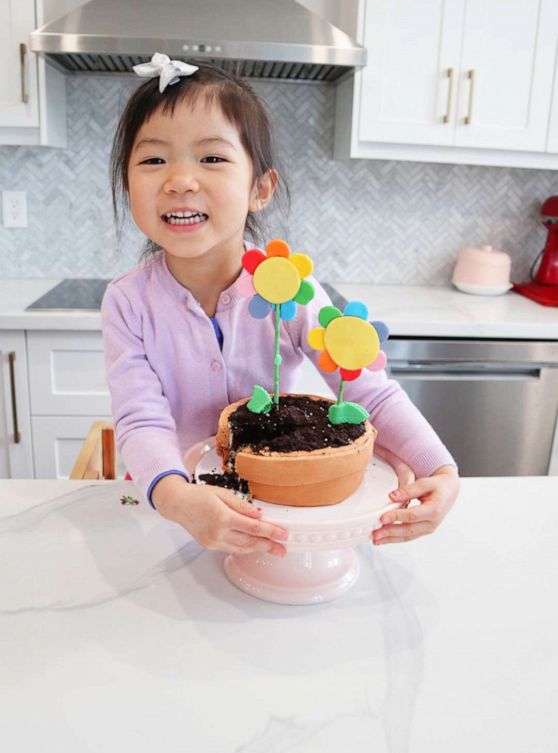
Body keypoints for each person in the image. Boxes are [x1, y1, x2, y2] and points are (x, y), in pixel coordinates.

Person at [102, 53, 459, 559]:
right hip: (174, 513)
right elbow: (140, 420)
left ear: (260, 189)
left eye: (212, 158)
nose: (180, 180)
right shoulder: (127, 302)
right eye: (154, 159)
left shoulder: (290, 287)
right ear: (127, 185)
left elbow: (368, 393)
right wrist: (178, 497)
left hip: (276, 513)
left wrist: (440, 469)